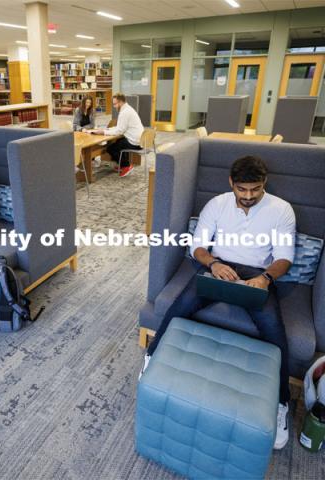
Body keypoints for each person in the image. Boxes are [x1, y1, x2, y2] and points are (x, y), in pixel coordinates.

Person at [141, 155, 296, 450]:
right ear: (231, 183)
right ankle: (153, 356)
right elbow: (197, 246)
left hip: (257, 274)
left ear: (264, 184)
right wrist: (212, 264)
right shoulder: (217, 204)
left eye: (256, 189)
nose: (249, 196)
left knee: (274, 330)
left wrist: (265, 278)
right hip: (218, 265)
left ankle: (281, 404)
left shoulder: (281, 210)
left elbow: (284, 257)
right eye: (242, 189)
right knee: (180, 307)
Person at [89, 93, 144, 177]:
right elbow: (120, 127)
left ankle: (126, 166)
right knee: (119, 141)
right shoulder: (128, 109)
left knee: (111, 148)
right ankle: (123, 165)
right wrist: (106, 130)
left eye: (115, 104)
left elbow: (119, 131)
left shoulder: (125, 112)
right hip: (139, 139)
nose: (114, 106)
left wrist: (103, 132)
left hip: (135, 142)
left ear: (121, 102)